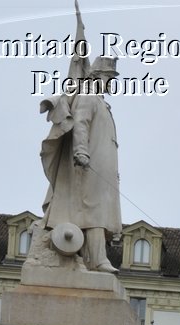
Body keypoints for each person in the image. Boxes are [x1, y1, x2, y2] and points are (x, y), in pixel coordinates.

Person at [39, 55, 121, 272]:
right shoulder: (88, 97)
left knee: (98, 211)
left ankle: (89, 259)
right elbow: (80, 124)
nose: (111, 83)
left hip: (101, 169)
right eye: (108, 77)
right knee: (93, 212)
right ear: (97, 76)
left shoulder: (102, 103)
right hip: (86, 166)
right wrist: (81, 151)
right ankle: (97, 260)